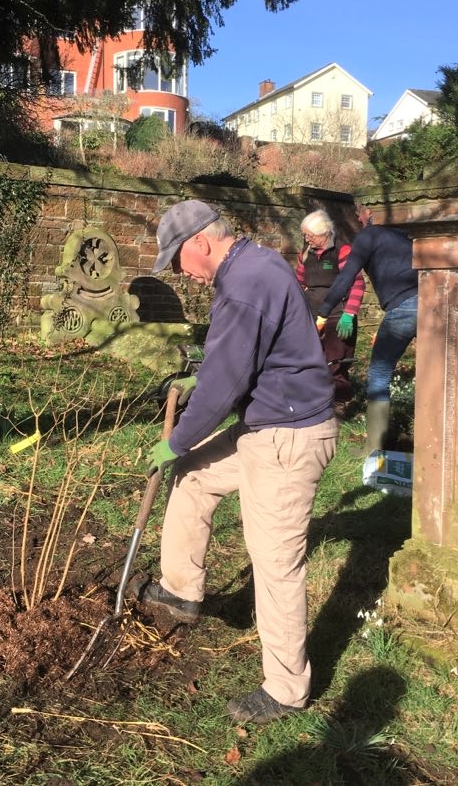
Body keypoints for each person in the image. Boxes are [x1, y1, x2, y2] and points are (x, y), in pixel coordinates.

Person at [139, 199, 339, 725]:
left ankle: (286, 688)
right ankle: (181, 588)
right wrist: (197, 382)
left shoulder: (244, 284)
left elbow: (226, 384)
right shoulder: (255, 263)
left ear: (201, 242)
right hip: (266, 425)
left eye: (179, 260)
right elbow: (238, 356)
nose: (182, 274)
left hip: (287, 440)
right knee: (194, 477)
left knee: (274, 563)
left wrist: (175, 439)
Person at [316, 205, 418, 453]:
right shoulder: (405, 235)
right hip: (433, 302)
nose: (357, 218)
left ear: (368, 212)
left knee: (379, 375)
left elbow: (346, 277)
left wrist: (323, 312)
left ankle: (375, 448)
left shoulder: (368, 235)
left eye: (359, 213)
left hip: (403, 308)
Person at [296, 209, 365, 405]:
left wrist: (349, 314)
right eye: (305, 235)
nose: (306, 239)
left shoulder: (342, 251)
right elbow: (299, 283)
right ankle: (314, 404)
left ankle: (340, 405)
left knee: (335, 365)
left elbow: (357, 283)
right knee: (311, 362)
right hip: (312, 316)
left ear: (325, 232)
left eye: (310, 235)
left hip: (338, 316)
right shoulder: (305, 253)